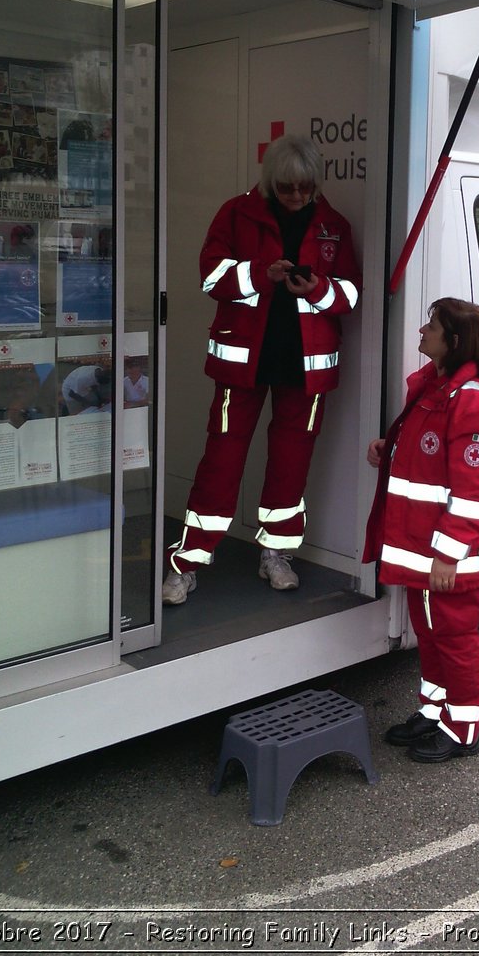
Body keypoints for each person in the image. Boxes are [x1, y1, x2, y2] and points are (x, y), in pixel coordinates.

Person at [162, 134, 361, 604]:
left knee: (291, 468)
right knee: (221, 463)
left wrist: (315, 289)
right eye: (288, 188)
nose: (296, 197)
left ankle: (277, 555)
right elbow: (210, 276)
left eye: (305, 188)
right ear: (271, 181)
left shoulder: (334, 225)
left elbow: (351, 295)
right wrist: (259, 274)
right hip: (243, 365)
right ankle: (187, 562)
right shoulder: (236, 213)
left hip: (306, 369)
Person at [363, 298, 479, 763]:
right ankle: (434, 712)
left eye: (432, 327)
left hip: (444, 556)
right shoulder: (436, 388)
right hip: (424, 551)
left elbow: (473, 490)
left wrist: (448, 555)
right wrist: (389, 451)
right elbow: (430, 460)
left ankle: (463, 730)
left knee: (455, 638)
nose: (422, 332)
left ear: (455, 341)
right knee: (430, 636)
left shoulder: (471, 401)